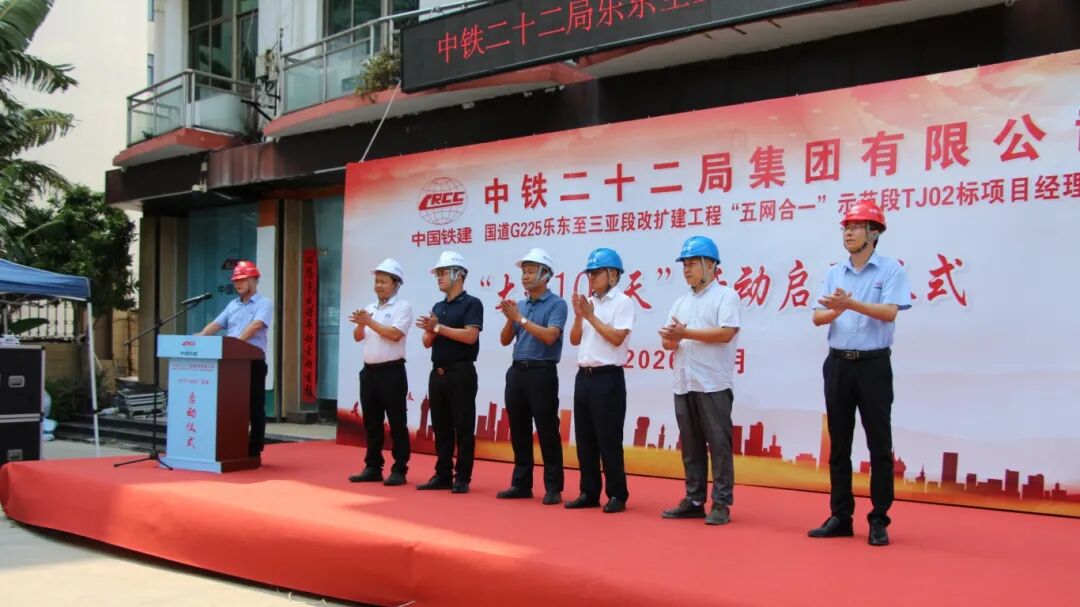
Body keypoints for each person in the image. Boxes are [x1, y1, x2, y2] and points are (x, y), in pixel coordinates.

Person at [807, 201, 911, 547]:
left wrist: (850, 304)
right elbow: (817, 317)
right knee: (839, 444)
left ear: (874, 233)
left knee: (879, 444)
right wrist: (836, 310)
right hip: (838, 364)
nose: (848, 233)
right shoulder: (835, 273)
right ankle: (840, 516)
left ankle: (879, 518)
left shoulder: (891, 270)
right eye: (846, 227)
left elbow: (890, 312)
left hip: (873, 366)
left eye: (856, 227)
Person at [658, 236, 740, 526]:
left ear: (711, 265)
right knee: (691, 446)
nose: (687, 269)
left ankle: (721, 503)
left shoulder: (726, 296)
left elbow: (726, 333)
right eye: (685, 264)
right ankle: (694, 500)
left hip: (713, 383)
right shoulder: (680, 303)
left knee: (718, 445)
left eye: (692, 263)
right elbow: (669, 342)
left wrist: (685, 334)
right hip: (684, 382)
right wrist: (671, 339)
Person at [496, 248, 568, 506]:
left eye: (530, 271)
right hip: (517, 371)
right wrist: (511, 319)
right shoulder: (521, 305)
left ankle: (553, 487)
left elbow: (550, 336)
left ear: (545, 274)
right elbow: (505, 340)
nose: (524, 276)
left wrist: (520, 319)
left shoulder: (557, 304)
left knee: (547, 429)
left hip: (542, 371)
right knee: (519, 429)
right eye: (523, 272)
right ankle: (521, 484)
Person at [566, 248, 635, 514]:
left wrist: (590, 316)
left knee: (608, 439)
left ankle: (617, 494)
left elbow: (617, 338)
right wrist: (579, 316)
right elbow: (574, 339)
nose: (592, 278)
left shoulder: (623, 302)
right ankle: (589, 492)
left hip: (608, 378)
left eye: (597, 273)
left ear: (613, 275)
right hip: (584, 377)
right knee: (585, 439)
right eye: (590, 274)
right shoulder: (588, 304)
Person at [415, 251, 483, 494]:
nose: (439, 277)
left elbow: (470, 336)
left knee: (463, 426)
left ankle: (462, 476)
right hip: (438, 373)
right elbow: (427, 342)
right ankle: (442, 473)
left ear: (458, 275)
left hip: (461, 372)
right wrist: (430, 330)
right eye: (438, 274)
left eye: (443, 273)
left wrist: (438, 328)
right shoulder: (438, 306)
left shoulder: (472, 303)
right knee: (441, 426)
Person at [196, 260, 273, 459]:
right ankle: (231, 445)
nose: (238, 283)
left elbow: (256, 325)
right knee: (231, 404)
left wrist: (235, 344)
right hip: (231, 363)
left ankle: (254, 450)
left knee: (254, 406)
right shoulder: (232, 305)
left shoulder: (264, 303)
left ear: (254, 280)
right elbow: (216, 324)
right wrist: (199, 337)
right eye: (236, 280)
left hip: (253, 362)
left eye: (242, 279)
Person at [347, 259, 413, 486]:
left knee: (397, 422)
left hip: (391, 372)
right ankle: (373, 467)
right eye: (377, 281)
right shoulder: (370, 308)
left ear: (396, 283)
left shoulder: (402, 307)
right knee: (372, 422)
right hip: (369, 373)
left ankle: (400, 468)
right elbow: (358, 337)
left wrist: (369, 321)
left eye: (384, 281)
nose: (378, 286)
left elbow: (394, 335)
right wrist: (361, 323)